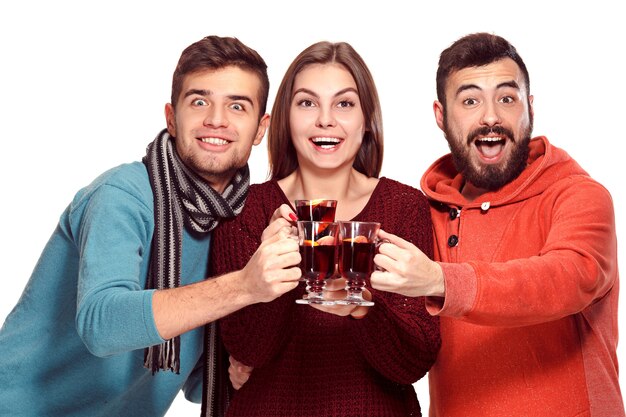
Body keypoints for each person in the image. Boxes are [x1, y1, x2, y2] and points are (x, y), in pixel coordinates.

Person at [0, 36, 302, 417]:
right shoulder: (122, 194)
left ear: (260, 129)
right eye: (199, 101)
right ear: (172, 119)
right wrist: (244, 285)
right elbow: (102, 323)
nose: (216, 119)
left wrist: (240, 368)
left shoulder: (239, 225)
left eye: (237, 106)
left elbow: (194, 382)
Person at [370, 32, 624, 416]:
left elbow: (568, 277)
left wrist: (440, 280)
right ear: (441, 116)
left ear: (530, 108)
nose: (491, 116)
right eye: (470, 101)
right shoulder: (427, 214)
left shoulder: (579, 196)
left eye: (507, 98)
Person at [202, 41, 440, 417]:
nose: (325, 120)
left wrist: (361, 309)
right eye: (307, 103)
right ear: (285, 118)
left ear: (366, 119)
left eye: (344, 104)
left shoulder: (404, 207)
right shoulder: (247, 207)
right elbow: (247, 351)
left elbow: (415, 362)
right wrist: (275, 267)